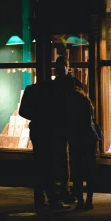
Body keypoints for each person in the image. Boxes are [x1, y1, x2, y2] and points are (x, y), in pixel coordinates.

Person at [18, 77, 71, 211]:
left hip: (37, 131)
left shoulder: (31, 90)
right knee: (50, 166)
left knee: (39, 165)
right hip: (50, 132)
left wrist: (36, 117)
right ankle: (52, 199)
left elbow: (22, 111)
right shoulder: (54, 91)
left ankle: (39, 199)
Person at [53, 55, 84, 203]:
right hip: (68, 125)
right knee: (67, 157)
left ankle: (69, 188)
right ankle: (70, 188)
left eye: (62, 66)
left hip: (65, 124)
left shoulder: (57, 84)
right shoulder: (72, 83)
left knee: (67, 157)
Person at [65, 79, 99, 210]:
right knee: (90, 170)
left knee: (77, 170)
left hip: (77, 139)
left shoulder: (68, 102)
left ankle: (80, 200)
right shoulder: (85, 100)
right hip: (89, 138)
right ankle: (89, 200)